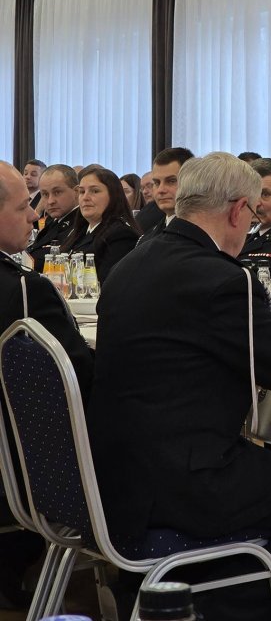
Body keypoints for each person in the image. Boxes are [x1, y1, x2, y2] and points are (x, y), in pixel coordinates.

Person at [86, 153, 271, 621]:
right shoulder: (220, 278)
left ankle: (165, 592)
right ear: (236, 210)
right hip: (184, 477)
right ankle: (213, 610)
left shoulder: (133, 262)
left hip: (113, 473)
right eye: (251, 213)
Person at [0, 161, 93, 608]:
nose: (35, 216)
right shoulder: (22, 289)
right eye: (23, 208)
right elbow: (79, 376)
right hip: (31, 468)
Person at [63, 165, 139, 286]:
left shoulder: (122, 234)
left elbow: (107, 284)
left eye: (95, 191)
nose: (85, 198)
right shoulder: (79, 231)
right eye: (82, 192)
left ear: (114, 195)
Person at [27, 163, 80, 271]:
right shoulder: (54, 221)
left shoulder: (81, 224)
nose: (50, 201)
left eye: (57, 192)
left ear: (76, 192)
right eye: (45, 194)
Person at [137, 147, 194, 241]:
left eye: (171, 181)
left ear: (192, 181)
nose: (161, 190)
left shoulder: (203, 232)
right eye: (156, 183)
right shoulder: (148, 234)